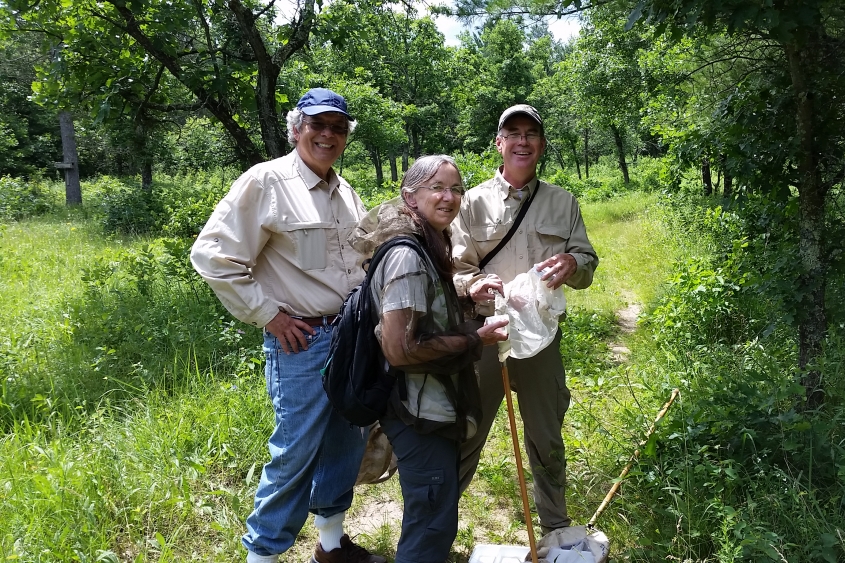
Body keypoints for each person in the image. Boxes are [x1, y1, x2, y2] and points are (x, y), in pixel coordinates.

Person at [190, 88, 386, 563]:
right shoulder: (267, 181)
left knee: (345, 441)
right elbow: (213, 256)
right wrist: (269, 315)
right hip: (303, 342)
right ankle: (263, 554)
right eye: (317, 124)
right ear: (296, 127)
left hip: (349, 336)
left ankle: (332, 544)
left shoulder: (345, 190)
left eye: (338, 128)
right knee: (295, 453)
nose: (327, 134)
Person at [350, 155, 509, 563]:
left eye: (456, 189)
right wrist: (477, 338)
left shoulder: (428, 244)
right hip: (417, 407)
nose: (449, 197)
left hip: (431, 401)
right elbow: (400, 349)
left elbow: (424, 305)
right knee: (431, 519)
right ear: (409, 196)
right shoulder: (407, 255)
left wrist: (464, 293)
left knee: (434, 510)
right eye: (437, 187)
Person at [451, 104, 599, 535]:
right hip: (485, 335)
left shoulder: (562, 201)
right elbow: (455, 269)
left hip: (541, 338)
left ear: (542, 145)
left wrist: (573, 262)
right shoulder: (471, 203)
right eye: (512, 133)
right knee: (466, 431)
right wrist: (471, 285)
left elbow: (587, 260)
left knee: (546, 434)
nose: (522, 141)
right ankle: (436, 530)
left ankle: (556, 528)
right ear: (499, 143)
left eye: (530, 134)